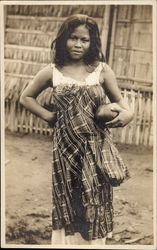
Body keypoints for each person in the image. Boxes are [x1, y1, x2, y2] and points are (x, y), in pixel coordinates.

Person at [20, 14, 133, 245]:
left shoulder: (101, 70)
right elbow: (26, 97)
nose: (78, 44)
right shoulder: (53, 71)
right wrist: (49, 116)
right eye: (73, 38)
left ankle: (92, 243)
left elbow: (123, 105)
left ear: (92, 43)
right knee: (68, 196)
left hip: (95, 146)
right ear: (63, 39)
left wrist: (127, 115)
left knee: (94, 197)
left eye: (85, 40)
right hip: (65, 149)